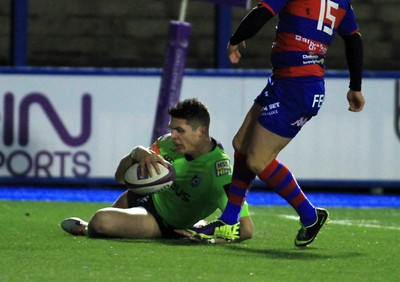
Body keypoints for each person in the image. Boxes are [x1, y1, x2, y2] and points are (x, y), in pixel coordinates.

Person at [186, 0, 365, 247]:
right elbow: (354, 39)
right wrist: (355, 87)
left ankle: (310, 216)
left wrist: (236, 39)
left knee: (258, 160)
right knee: (241, 143)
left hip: (297, 87)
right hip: (285, 81)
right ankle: (229, 221)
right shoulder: (341, 2)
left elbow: (262, 13)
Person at [61, 98, 253, 243]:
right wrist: (135, 153)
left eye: (180, 131)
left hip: (162, 222)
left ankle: (85, 228)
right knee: (112, 216)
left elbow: (246, 229)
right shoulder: (166, 143)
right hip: (145, 197)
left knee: (101, 222)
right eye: (172, 129)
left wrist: (207, 235)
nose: (174, 136)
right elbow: (120, 178)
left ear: (201, 131)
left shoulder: (219, 172)